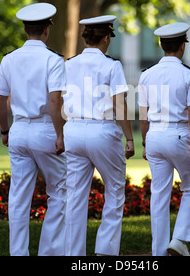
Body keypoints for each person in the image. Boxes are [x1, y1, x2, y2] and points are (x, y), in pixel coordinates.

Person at [0, 3, 67, 256]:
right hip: (45, 129)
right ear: (47, 30)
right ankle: (49, 252)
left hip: (19, 130)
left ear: (25, 29)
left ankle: (18, 253)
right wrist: (60, 134)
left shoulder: (9, 59)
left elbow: (0, 100)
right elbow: (56, 100)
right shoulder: (54, 60)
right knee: (59, 192)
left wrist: (5, 130)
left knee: (19, 198)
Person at [63, 15, 134, 256]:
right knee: (114, 190)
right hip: (101, 130)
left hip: (72, 129)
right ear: (105, 38)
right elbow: (119, 104)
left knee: (74, 197)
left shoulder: (68, 63)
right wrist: (130, 138)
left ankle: (74, 255)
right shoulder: (111, 65)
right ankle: (105, 252)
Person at [138, 22, 190, 256]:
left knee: (159, 195)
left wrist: (145, 143)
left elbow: (143, 116)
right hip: (178, 134)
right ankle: (179, 239)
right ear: (182, 46)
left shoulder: (146, 75)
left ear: (160, 45)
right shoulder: (189, 75)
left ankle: (158, 254)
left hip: (154, 136)